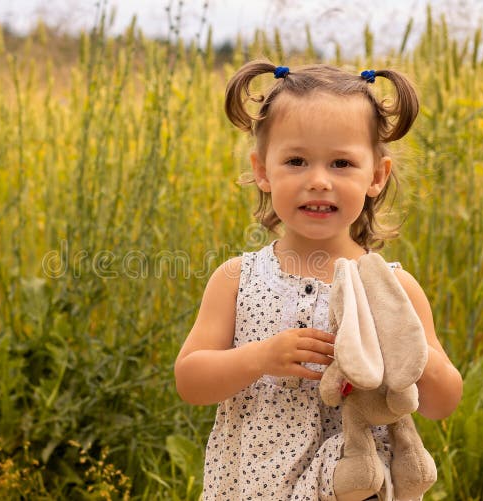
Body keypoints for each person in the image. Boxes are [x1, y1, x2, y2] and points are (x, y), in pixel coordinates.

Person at [174, 60, 463, 500]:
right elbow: (190, 381)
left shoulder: (393, 290)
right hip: (253, 485)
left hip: (354, 483)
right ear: (263, 171)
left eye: (342, 163)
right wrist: (259, 357)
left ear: (377, 176)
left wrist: (417, 359)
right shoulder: (237, 279)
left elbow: (443, 404)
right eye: (296, 160)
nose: (318, 181)